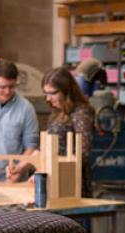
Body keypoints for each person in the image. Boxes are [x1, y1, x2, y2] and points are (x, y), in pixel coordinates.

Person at [42, 67, 94, 197]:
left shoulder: (81, 112)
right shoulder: (57, 112)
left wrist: (56, 168)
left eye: (52, 93)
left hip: (72, 185)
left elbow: (83, 153)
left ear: (66, 91)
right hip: (54, 181)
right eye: (46, 93)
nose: (48, 98)